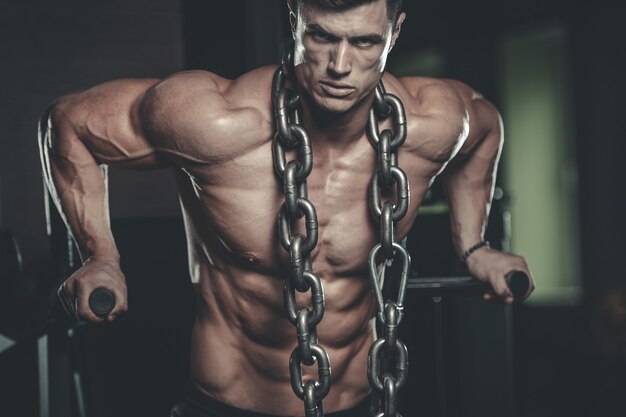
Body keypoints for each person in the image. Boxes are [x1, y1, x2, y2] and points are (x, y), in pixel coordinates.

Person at [38, 0, 535, 416]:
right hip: (228, 403)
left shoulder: (431, 123)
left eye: (364, 42)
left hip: (361, 400)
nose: (340, 65)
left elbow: (486, 129)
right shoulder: (213, 122)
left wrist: (472, 246)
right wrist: (100, 255)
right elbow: (71, 122)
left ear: (394, 31)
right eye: (320, 36)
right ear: (293, 17)